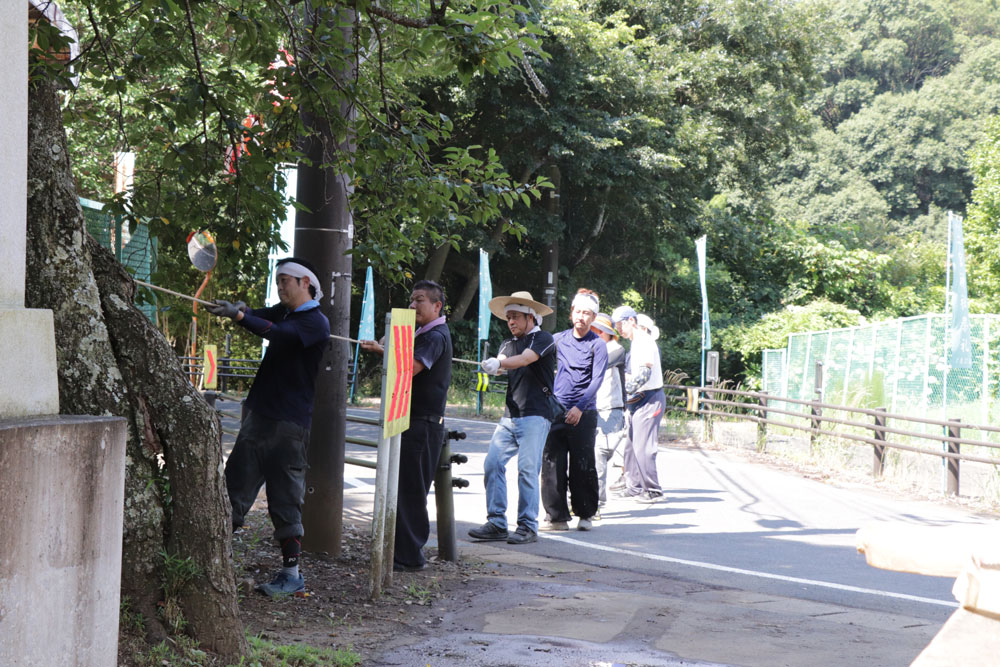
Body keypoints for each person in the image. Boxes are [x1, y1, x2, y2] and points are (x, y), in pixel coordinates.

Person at [207, 257, 330, 596]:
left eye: (285, 281)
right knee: (232, 490)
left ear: (305, 283)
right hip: (259, 418)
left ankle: (292, 575)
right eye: (278, 282)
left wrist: (239, 316)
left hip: (290, 426)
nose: (279, 287)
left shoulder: (315, 322)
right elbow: (263, 317)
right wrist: (242, 310)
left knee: (285, 500)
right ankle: (210, 561)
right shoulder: (285, 312)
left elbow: (276, 333)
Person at [360, 280, 452, 572]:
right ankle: (399, 552)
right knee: (403, 488)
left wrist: (380, 351)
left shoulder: (435, 335)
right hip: (412, 420)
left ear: (437, 306)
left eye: (419, 300)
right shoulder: (421, 333)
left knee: (411, 491)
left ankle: (410, 557)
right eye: (411, 300)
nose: (413, 305)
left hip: (423, 424)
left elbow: (409, 368)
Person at [468, 291, 556, 545]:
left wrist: (500, 364)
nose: (511, 322)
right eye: (508, 317)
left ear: (531, 317)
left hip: (536, 415)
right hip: (510, 416)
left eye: (516, 316)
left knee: (527, 470)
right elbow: (503, 361)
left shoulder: (543, 338)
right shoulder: (507, 343)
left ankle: (527, 526)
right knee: (492, 464)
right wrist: (494, 365)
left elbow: (525, 359)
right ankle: (496, 522)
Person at [540, 289, 607, 531]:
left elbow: (597, 379)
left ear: (593, 317)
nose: (581, 316)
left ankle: (586, 513)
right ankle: (556, 517)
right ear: (571, 313)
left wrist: (579, 407)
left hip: (585, 412)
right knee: (552, 464)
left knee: (583, 463)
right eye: (578, 311)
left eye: (587, 313)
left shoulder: (598, 345)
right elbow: (540, 365)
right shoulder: (557, 339)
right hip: (556, 409)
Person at [611, 306, 665, 503]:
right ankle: (634, 486)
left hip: (650, 398)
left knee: (644, 447)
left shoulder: (644, 340)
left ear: (631, 321)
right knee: (630, 446)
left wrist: (624, 389)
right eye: (616, 326)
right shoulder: (635, 342)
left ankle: (653, 490)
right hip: (637, 400)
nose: (618, 329)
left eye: (620, 324)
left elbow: (644, 374)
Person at [590, 312, 627, 510]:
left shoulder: (616, 349)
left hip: (610, 410)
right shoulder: (590, 346)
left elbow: (602, 363)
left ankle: (596, 502)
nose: (594, 333)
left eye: (598, 330)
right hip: (590, 408)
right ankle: (587, 499)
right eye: (592, 329)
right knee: (590, 455)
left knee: (599, 454)